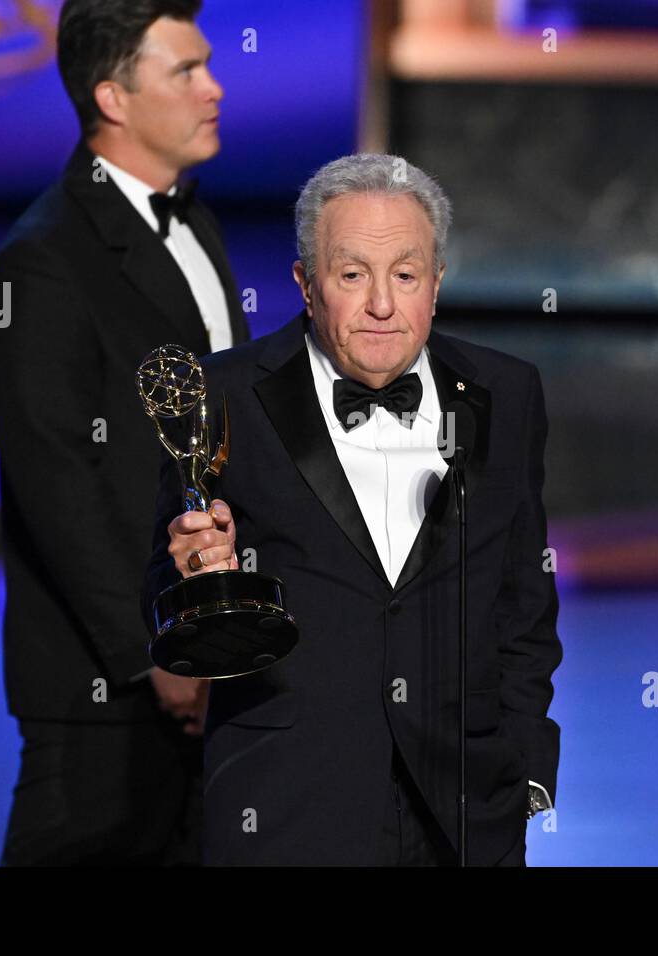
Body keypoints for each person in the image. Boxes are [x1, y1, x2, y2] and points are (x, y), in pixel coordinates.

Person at [142, 153, 563, 865]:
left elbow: (525, 601)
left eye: (404, 275)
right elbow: (158, 580)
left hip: (466, 813)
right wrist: (189, 576)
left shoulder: (507, 393)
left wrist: (522, 768)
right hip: (287, 805)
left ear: (436, 283)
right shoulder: (225, 395)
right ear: (307, 285)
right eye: (351, 275)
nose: (381, 306)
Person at [0, 0, 249, 865]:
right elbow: (55, 483)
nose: (214, 88)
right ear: (114, 98)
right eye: (187, 71)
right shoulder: (42, 262)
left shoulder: (192, 219)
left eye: (208, 64)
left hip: (215, 663)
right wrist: (150, 656)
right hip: (106, 687)